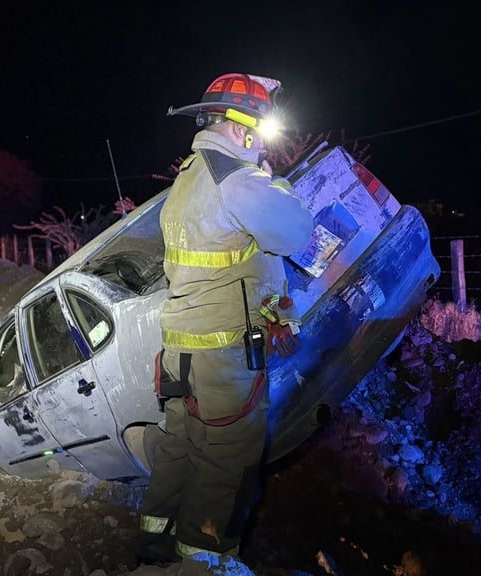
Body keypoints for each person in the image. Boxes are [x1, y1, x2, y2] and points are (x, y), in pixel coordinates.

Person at [137, 72, 314, 563]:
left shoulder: (188, 176)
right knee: (227, 460)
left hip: (180, 350)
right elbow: (297, 231)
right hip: (222, 358)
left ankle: (153, 543)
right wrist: (277, 183)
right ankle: (203, 561)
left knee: (181, 445)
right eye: (261, 133)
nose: (264, 145)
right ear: (241, 129)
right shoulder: (237, 180)